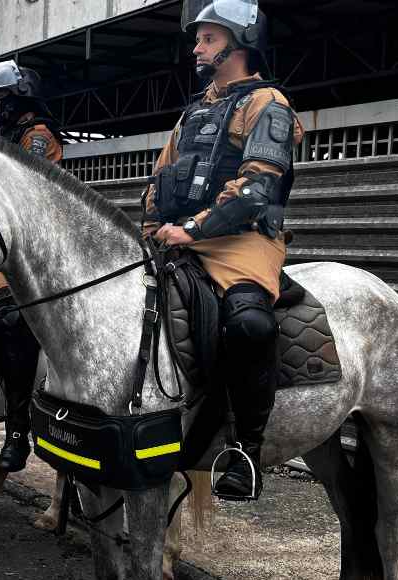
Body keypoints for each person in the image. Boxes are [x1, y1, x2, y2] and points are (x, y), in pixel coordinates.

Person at [142, 0, 302, 501]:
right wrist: (152, 226)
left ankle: (244, 452)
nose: (197, 47)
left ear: (238, 43)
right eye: (199, 39)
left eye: (208, 39)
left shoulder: (269, 104)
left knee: (249, 325)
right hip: (176, 238)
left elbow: (257, 188)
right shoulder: (194, 111)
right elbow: (160, 177)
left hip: (241, 242)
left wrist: (193, 228)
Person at [0, 60, 66, 473]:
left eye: (0, 97)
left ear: (20, 97)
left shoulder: (37, 137)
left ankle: (16, 431)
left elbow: (30, 194)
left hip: (34, 243)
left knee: (12, 321)